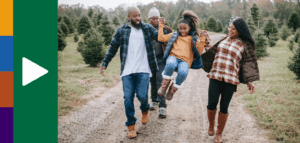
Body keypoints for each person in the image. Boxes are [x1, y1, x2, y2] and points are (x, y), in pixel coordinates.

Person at [100, 6, 160, 139]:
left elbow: (161, 37)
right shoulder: (121, 30)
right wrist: (105, 63)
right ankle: (131, 125)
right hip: (127, 70)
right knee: (128, 98)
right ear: (128, 17)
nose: (138, 18)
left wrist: (162, 26)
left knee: (143, 96)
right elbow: (113, 47)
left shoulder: (147, 28)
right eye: (134, 16)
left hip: (143, 69)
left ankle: (145, 109)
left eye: (139, 15)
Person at [201, 18, 259, 143]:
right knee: (212, 103)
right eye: (229, 27)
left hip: (230, 79)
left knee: (224, 107)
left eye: (233, 29)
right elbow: (215, 52)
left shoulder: (244, 44)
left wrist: (250, 81)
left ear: (239, 31)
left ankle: (219, 133)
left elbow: (247, 64)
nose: (230, 30)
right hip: (215, 75)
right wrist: (207, 46)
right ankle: (211, 124)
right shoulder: (224, 39)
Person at [157, 10, 207, 100]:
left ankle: (173, 89)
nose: (182, 31)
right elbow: (161, 38)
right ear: (177, 28)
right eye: (180, 28)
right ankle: (164, 84)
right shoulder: (174, 35)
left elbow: (199, 52)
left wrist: (202, 38)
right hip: (173, 57)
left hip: (185, 61)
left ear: (189, 28)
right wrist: (161, 25)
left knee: (183, 73)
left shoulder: (192, 39)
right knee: (171, 64)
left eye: (185, 29)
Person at [147, 7, 173, 118]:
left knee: (160, 79)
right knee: (152, 79)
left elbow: (172, 40)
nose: (155, 20)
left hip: (161, 59)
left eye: (157, 18)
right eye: (153, 18)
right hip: (149, 59)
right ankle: (154, 100)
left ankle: (162, 106)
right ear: (149, 19)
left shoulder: (165, 29)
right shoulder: (146, 29)